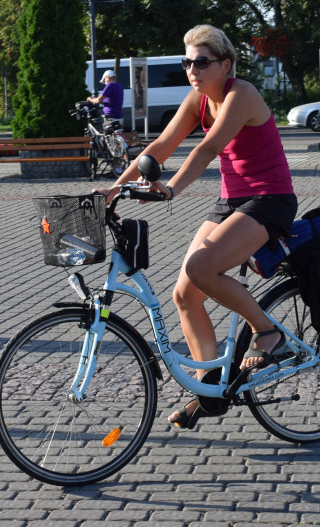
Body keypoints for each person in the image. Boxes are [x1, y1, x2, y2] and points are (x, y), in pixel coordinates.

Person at [101, 24, 297, 430]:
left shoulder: (241, 94)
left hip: (269, 200)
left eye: (202, 62)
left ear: (226, 64)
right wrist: (113, 189)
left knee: (201, 268)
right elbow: (159, 148)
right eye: (187, 61)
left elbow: (209, 148)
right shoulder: (197, 99)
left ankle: (267, 332)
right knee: (185, 294)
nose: (193, 69)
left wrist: (170, 189)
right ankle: (211, 390)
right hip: (230, 201)